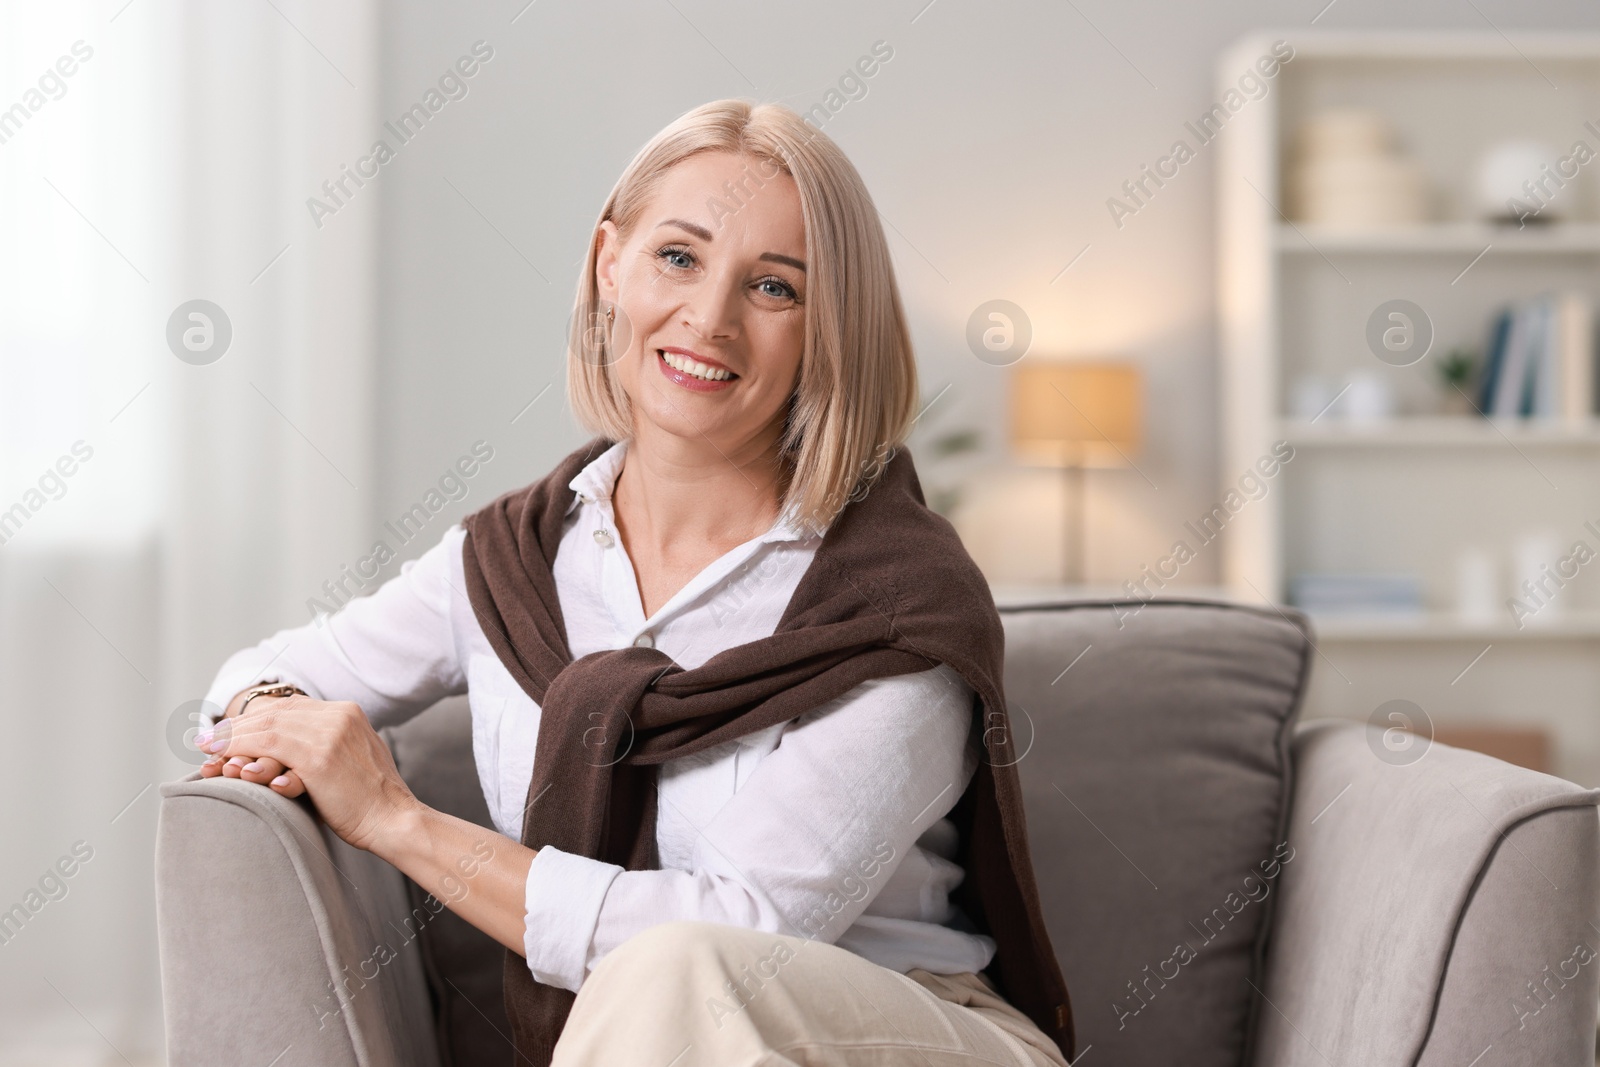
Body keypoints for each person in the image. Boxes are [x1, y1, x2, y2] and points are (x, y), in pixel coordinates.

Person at [196, 99, 1072, 1066]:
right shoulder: (512, 562)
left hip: (900, 1030)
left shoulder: (897, 608)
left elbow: (746, 927)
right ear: (611, 262)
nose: (710, 318)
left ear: (829, 328)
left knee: (671, 966)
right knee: (658, 980)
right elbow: (258, 674)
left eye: (774, 287)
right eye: (679, 258)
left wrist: (396, 821)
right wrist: (279, 717)